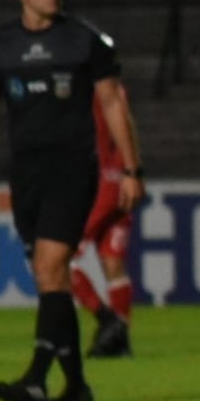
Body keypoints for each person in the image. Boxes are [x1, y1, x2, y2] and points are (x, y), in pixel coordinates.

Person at [0, 0, 145, 401]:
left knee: (51, 267)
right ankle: (77, 385)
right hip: (26, 173)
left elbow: (114, 105)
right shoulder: (0, 45)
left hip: (72, 169)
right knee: (50, 280)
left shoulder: (85, 41)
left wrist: (131, 170)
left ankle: (36, 377)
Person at [72, 85, 140, 359]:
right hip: (120, 180)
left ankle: (108, 321)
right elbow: (128, 125)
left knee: (59, 260)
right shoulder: (116, 88)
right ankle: (120, 341)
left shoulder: (86, 87)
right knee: (113, 262)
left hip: (97, 183)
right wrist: (134, 170)